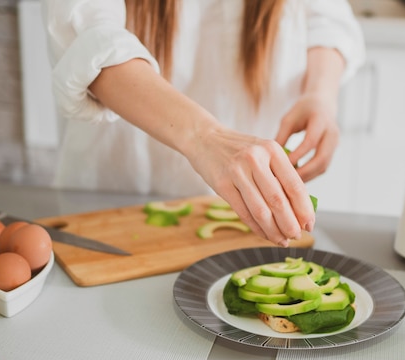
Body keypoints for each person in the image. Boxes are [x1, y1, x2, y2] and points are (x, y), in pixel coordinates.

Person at [41, 0, 365, 247]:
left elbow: (327, 18)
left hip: (241, 210)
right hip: (115, 191)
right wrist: (204, 136)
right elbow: (91, 44)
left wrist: (320, 95)